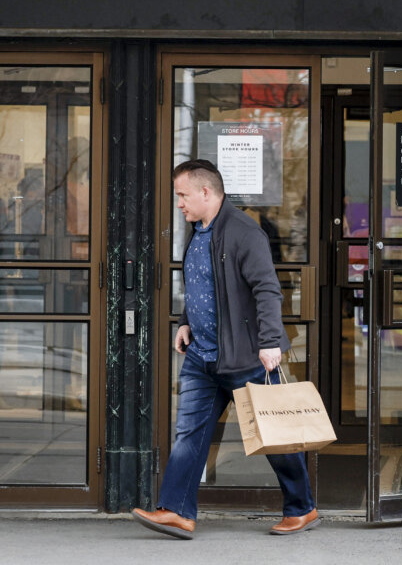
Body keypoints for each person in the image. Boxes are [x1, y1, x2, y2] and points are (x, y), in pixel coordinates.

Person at [132, 159, 318, 540]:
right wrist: (185, 321)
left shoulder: (245, 233)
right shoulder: (198, 231)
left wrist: (270, 342)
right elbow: (201, 284)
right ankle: (177, 511)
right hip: (202, 356)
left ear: (206, 192)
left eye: (183, 195)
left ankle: (302, 509)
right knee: (189, 433)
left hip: (245, 355)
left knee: (274, 435)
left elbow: (268, 290)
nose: (179, 203)